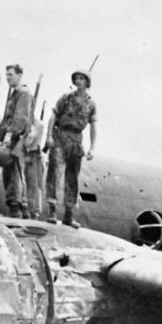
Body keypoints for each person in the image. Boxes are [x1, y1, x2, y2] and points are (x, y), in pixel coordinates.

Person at [44, 69, 97, 228]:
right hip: (60, 137)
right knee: (54, 173)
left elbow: (93, 125)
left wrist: (92, 147)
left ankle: (68, 214)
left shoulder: (91, 104)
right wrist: (48, 136)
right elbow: (53, 116)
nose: (79, 81)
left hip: (76, 141)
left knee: (72, 178)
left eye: (82, 79)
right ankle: (52, 211)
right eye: (77, 78)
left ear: (88, 83)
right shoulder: (65, 98)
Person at [0, 64, 34, 218]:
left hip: (16, 138)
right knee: (15, 170)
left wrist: (8, 138)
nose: (7, 78)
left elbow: (20, 118)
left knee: (11, 172)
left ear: (19, 75)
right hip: (14, 137)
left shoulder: (23, 93)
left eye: (10, 74)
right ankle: (23, 209)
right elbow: (6, 119)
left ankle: (15, 209)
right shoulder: (16, 93)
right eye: (6, 75)